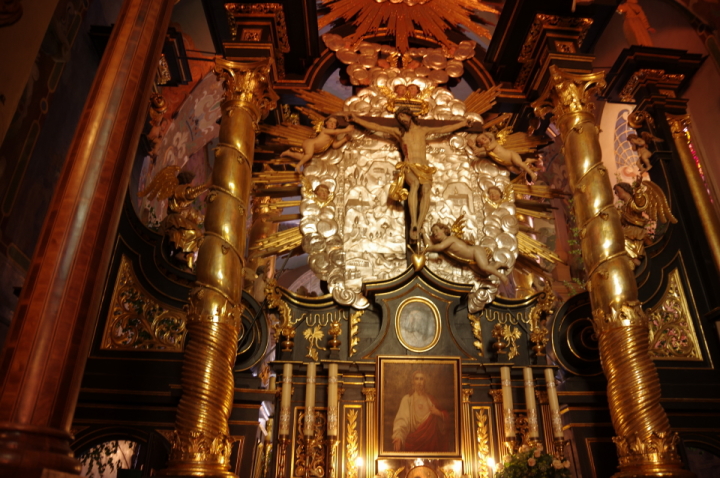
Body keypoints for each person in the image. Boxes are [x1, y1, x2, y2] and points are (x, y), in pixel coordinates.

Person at [348, 107, 470, 242]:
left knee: (426, 189)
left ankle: (419, 224)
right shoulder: (399, 132)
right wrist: (356, 119)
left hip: (424, 167)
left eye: (403, 116)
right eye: (399, 118)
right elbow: (377, 126)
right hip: (409, 165)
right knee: (415, 184)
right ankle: (413, 223)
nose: (401, 120)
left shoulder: (423, 130)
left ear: (409, 115)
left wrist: (462, 124)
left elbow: (443, 129)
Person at [424, 223, 509, 285]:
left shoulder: (449, 239)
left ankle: (501, 276)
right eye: (433, 232)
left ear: (444, 230)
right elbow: (430, 246)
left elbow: (438, 247)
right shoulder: (442, 245)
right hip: (469, 261)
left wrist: (426, 249)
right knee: (485, 273)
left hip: (475, 251)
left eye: (436, 230)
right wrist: (423, 234)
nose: (434, 233)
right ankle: (497, 265)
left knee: (484, 267)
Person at [391, 370, 448, 452]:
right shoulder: (407, 399)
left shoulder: (431, 400)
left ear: (425, 382)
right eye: (416, 379)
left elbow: (446, 420)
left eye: (421, 379)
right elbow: (401, 420)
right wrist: (399, 436)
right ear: (412, 381)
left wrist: (439, 413)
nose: (419, 382)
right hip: (412, 443)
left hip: (430, 443)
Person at [280, 116, 355, 172]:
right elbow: (335, 132)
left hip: (315, 149)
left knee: (305, 157)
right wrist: (346, 129)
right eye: (330, 121)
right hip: (310, 143)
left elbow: (335, 145)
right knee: (308, 156)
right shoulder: (325, 131)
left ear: (335, 126)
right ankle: (299, 165)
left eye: (334, 123)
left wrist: (344, 139)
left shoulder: (333, 137)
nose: (332, 124)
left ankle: (289, 153)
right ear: (326, 123)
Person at [472, 132, 537, 181]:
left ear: (489, 137)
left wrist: (478, 150)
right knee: (518, 171)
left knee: (519, 163)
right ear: (480, 144)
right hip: (507, 164)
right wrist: (474, 148)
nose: (484, 139)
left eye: (484, 137)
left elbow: (488, 148)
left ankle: (531, 173)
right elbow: (481, 154)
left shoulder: (493, 143)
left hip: (511, 155)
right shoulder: (487, 152)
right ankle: (527, 161)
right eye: (481, 140)